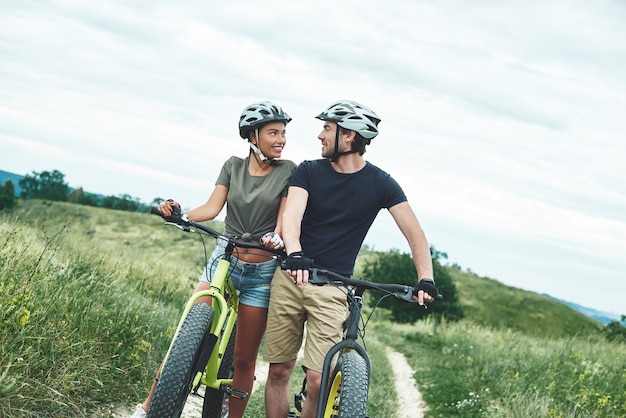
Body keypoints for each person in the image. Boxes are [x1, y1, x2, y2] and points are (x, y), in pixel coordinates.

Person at [263, 100, 441, 418]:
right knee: (279, 371)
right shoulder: (308, 171)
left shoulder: (381, 183)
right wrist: (296, 253)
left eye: (327, 128)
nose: (320, 135)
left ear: (348, 136)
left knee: (318, 380)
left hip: (332, 290)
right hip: (291, 277)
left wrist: (425, 277)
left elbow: (415, 234)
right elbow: (292, 217)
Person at [130, 101, 296, 418]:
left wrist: (276, 237)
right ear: (252, 135)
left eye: (283, 133)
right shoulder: (232, 166)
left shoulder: (289, 171)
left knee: (245, 359)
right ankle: (148, 407)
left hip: (261, 272)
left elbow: (284, 217)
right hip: (224, 259)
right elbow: (212, 208)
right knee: (184, 338)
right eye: (273, 133)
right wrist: (182, 215)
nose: (281, 140)